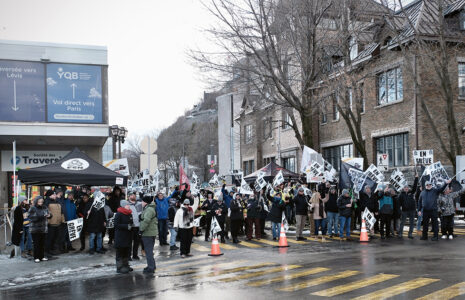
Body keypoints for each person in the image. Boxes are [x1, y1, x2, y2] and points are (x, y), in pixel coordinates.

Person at [28, 196, 52, 263]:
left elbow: (49, 214)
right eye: (39, 202)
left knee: (42, 243)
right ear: (36, 202)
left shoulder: (45, 207)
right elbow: (30, 217)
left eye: (41, 202)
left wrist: (49, 215)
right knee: (36, 244)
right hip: (35, 229)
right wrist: (41, 216)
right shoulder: (32, 208)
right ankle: (36, 257)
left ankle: (42, 256)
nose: (41, 203)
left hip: (43, 228)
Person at [140, 196, 158, 274]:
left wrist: (141, 229)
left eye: (142, 201)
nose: (141, 202)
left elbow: (146, 221)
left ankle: (151, 267)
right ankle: (152, 265)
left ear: (146, 202)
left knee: (148, 251)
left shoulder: (149, 209)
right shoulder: (149, 208)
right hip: (150, 232)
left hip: (148, 233)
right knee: (149, 251)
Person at [114, 203, 134, 274]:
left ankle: (126, 265)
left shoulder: (129, 214)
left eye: (129, 205)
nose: (129, 206)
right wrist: (126, 226)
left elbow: (131, 222)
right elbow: (116, 225)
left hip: (128, 236)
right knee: (120, 252)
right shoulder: (118, 214)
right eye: (127, 205)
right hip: (120, 236)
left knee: (126, 252)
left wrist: (131, 225)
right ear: (123, 206)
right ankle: (119, 267)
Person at [45, 190, 65, 256]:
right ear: (49, 195)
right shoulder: (46, 202)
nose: (55, 196)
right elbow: (45, 213)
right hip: (51, 223)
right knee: (49, 238)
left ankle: (53, 250)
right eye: (53, 195)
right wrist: (48, 221)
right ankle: (47, 251)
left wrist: (63, 220)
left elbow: (61, 212)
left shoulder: (57, 201)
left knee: (55, 238)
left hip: (58, 223)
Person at [124, 193, 143, 259]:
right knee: (129, 242)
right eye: (132, 195)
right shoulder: (127, 204)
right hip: (131, 226)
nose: (133, 196)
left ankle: (135, 255)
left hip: (138, 225)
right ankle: (128, 255)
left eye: (134, 195)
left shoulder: (139, 203)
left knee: (137, 242)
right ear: (129, 196)